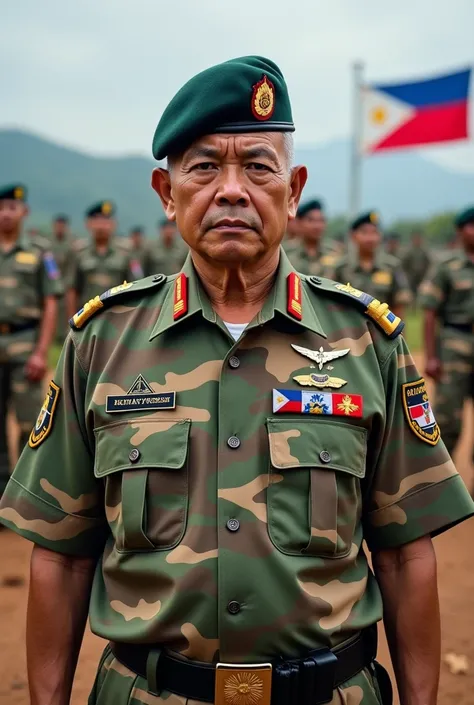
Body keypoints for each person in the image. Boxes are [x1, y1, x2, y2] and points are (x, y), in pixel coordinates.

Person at [1, 56, 473, 705]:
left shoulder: (366, 341)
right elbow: (61, 554)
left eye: (256, 165)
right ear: (167, 193)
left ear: (293, 186)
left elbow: (403, 553)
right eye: (203, 167)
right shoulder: (102, 342)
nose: (230, 190)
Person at [0, 184, 62, 495]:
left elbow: (51, 302)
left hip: (25, 344)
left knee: (29, 424)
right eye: (1, 206)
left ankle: (26, 497)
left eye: (12, 207)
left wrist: (41, 352)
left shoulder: (38, 253)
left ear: (23, 212)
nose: (5, 213)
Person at [420, 206, 474, 486]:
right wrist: (431, 357)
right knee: (448, 420)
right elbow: (429, 313)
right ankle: (441, 486)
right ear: (460, 231)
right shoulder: (447, 267)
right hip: (455, 345)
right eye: (471, 226)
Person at [66, 201, 141, 320]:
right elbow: (72, 290)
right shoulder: (78, 252)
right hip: (86, 319)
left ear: (114, 224)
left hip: (117, 320)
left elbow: (136, 288)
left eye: (106, 220)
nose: (101, 226)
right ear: (88, 224)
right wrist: (72, 321)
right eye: (97, 220)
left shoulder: (127, 252)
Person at [329, 212, 412, 319]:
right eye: (364, 233)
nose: (370, 238)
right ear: (353, 235)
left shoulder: (391, 266)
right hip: (350, 332)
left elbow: (399, 305)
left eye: (374, 233)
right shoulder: (341, 267)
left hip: (382, 332)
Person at [287, 199, 336, 275]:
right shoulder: (287, 251)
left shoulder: (334, 252)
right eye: (311, 220)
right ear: (299, 222)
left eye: (321, 220)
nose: (317, 226)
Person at [50, 214, 74, 341]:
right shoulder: (49, 244)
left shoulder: (69, 246)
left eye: (62, 226)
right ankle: (52, 334)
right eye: (57, 225)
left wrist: (67, 283)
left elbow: (71, 266)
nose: (60, 228)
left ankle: (63, 335)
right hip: (50, 282)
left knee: (65, 310)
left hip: (65, 283)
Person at [401, 231, 431, 302]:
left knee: (420, 291)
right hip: (411, 276)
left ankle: (419, 303)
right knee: (411, 291)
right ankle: (411, 303)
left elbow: (428, 262)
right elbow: (404, 263)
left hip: (421, 275)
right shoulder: (409, 251)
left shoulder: (423, 251)